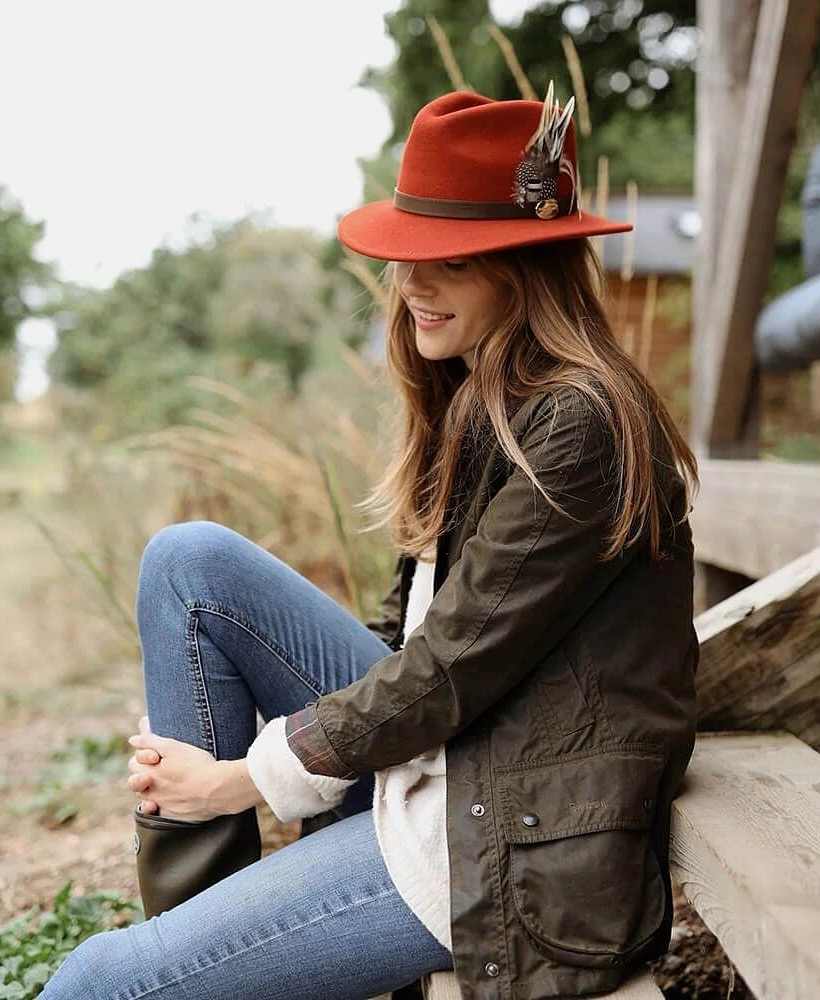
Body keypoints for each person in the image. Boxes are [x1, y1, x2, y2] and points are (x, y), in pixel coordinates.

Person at [40, 85, 699, 1000]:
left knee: (97, 983)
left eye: (450, 262)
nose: (413, 285)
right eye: (407, 257)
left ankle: (179, 962)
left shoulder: (577, 426)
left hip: (498, 826)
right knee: (189, 563)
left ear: (528, 268)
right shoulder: (482, 398)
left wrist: (240, 782)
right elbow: (415, 641)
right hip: (453, 758)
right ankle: (196, 939)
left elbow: (444, 673)